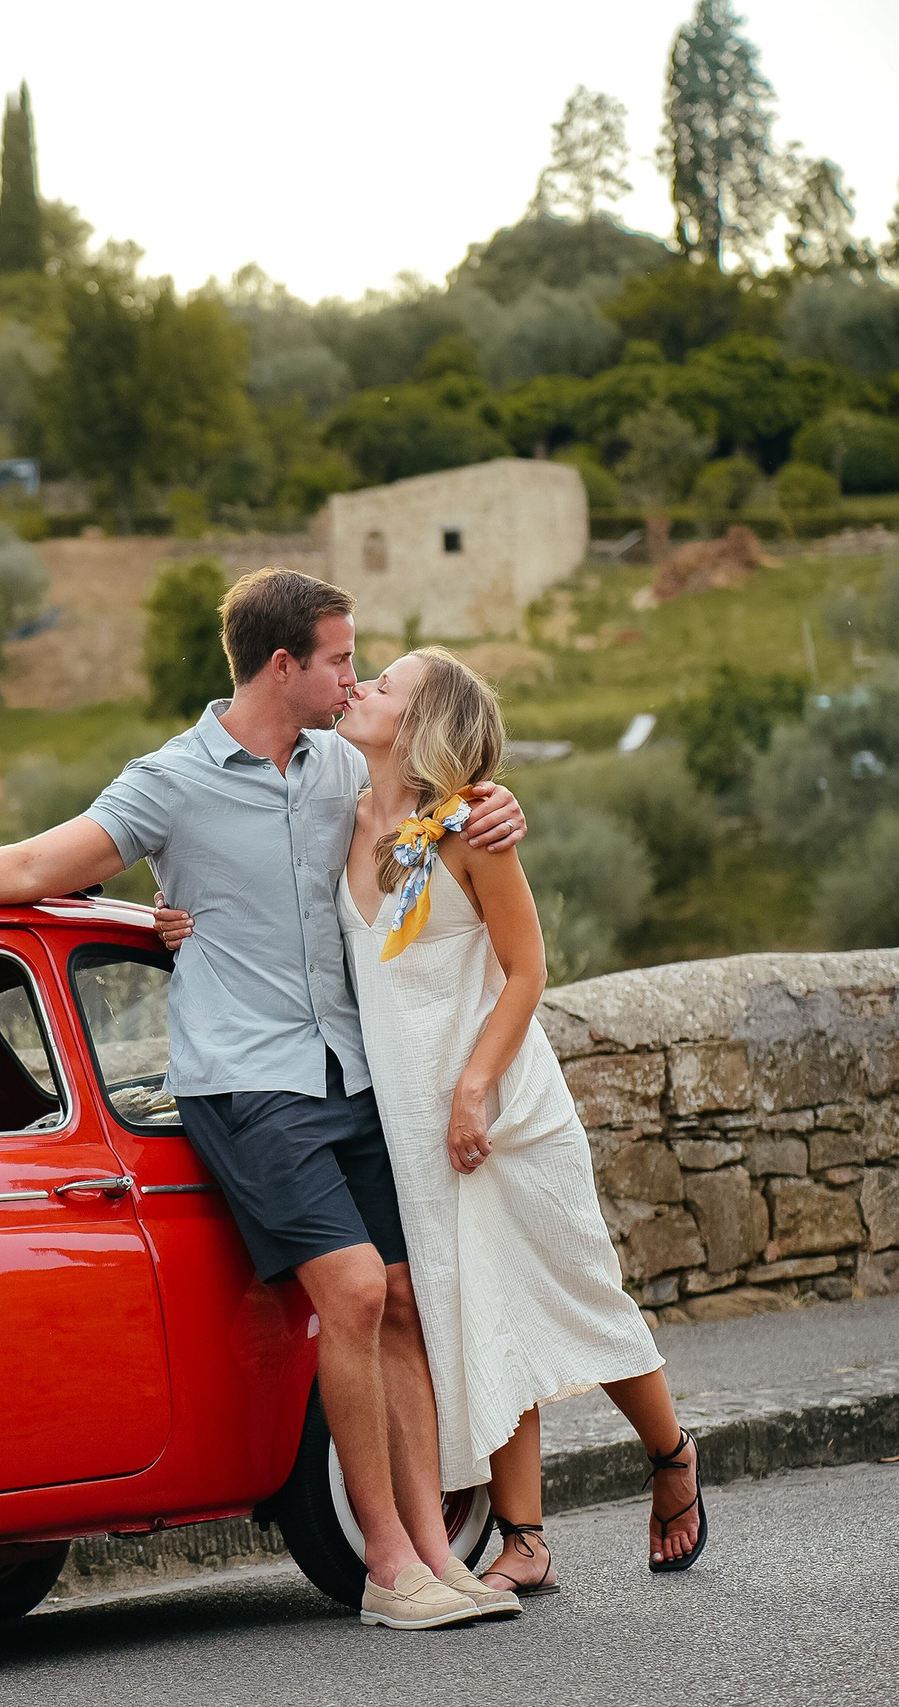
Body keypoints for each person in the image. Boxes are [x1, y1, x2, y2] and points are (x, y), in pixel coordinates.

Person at [0, 568, 531, 1631]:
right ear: (281, 665)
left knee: (404, 1302)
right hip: (247, 1081)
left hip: (352, 1072)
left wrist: (493, 800)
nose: (353, 676)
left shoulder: (341, 765)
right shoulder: (171, 780)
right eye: (338, 659)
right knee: (352, 1295)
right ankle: (384, 1564)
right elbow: (40, 861)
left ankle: (434, 1552)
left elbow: (434, 802)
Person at [160, 646, 708, 1592]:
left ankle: (672, 1453)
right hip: (408, 1115)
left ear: (419, 725)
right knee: (477, 1308)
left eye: (385, 685)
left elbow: (528, 971)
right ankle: (525, 1539)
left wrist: (473, 1088)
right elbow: (260, 888)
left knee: (577, 1292)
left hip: (503, 1107)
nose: (360, 685)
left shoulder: (472, 829)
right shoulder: (342, 817)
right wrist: (178, 918)